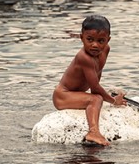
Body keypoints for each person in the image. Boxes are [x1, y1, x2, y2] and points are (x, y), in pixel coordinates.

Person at [53, 15, 126, 146]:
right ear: (81, 38)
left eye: (101, 41)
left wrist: (105, 96)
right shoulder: (84, 57)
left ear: (108, 40)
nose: (95, 45)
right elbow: (96, 88)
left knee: (97, 97)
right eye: (90, 39)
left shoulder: (105, 50)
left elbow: (98, 72)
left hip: (75, 94)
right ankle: (93, 132)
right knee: (96, 99)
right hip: (62, 96)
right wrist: (114, 101)